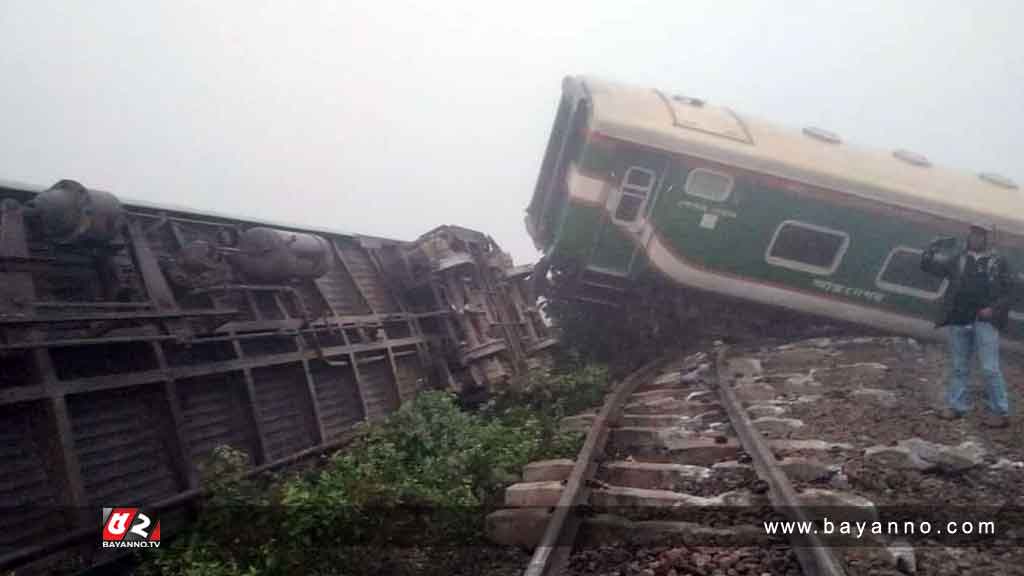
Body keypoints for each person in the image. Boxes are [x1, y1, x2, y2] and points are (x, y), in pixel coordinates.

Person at [921, 224, 1017, 427]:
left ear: (987, 239)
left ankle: (1000, 411)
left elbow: (1011, 292)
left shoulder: (999, 262)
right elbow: (930, 268)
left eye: (979, 235)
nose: (974, 238)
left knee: (990, 368)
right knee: (958, 367)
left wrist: (994, 309)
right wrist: (931, 249)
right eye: (973, 234)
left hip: (986, 321)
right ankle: (956, 407)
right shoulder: (959, 258)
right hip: (959, 318)